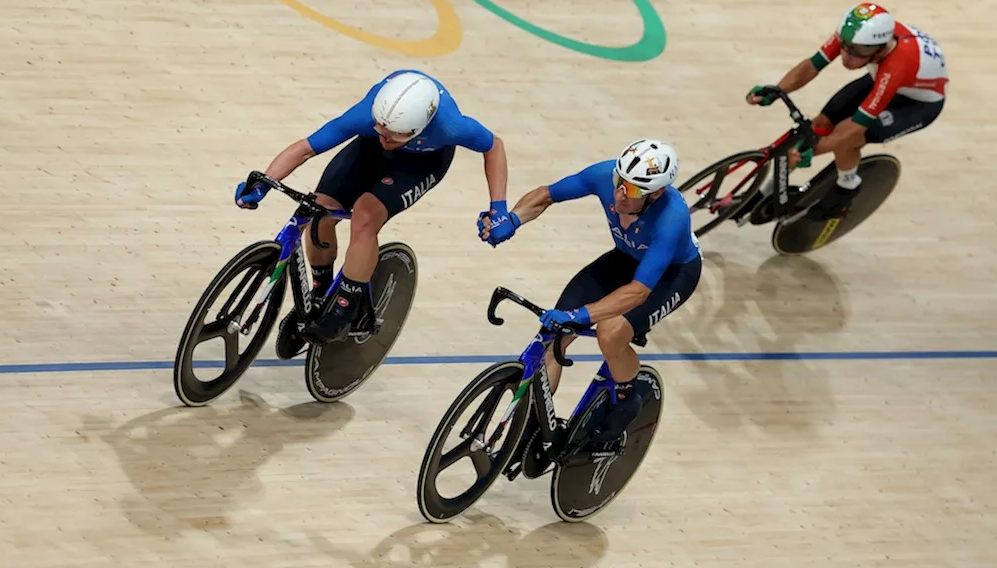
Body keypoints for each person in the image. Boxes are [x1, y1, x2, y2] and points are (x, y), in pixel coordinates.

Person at [234, 70, 511, 344]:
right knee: (320, 210)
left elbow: (494, 146)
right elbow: (307, 147)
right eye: (381, 130)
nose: (385, 138)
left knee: (365, 215)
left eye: (393, 135)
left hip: (422, 164)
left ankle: (345, 306)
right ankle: (319, 292)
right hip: (367, 151)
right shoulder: (368, 116)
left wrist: (498, 207)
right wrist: (264, 183)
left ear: (418, 129)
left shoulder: (451, 126)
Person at [482, 139, 702, 446]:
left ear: (657, 194)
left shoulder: (671, 217)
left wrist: (580, 315)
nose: (621, 193)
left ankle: (628, 398)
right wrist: (513, 219)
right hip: (624, 259)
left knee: (610, 333)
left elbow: (638, 292)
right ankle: (536, 425)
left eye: (635, 190)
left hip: (671, 276)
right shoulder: (604, 175)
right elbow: (546, 195)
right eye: (620, 182)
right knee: (553, 334)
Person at [738, 2, 948, 222]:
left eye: (858, 51)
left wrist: (815, 149)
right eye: (845, 46)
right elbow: (812, 66)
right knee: (819, 124)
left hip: (916, 104)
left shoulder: (896, 65)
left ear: (880, 48)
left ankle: (847, 187)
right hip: (884, 79)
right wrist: (777, 90)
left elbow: (856, 125)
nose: (847, 56)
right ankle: (768, 191)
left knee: (849, 136)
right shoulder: (856, 36)